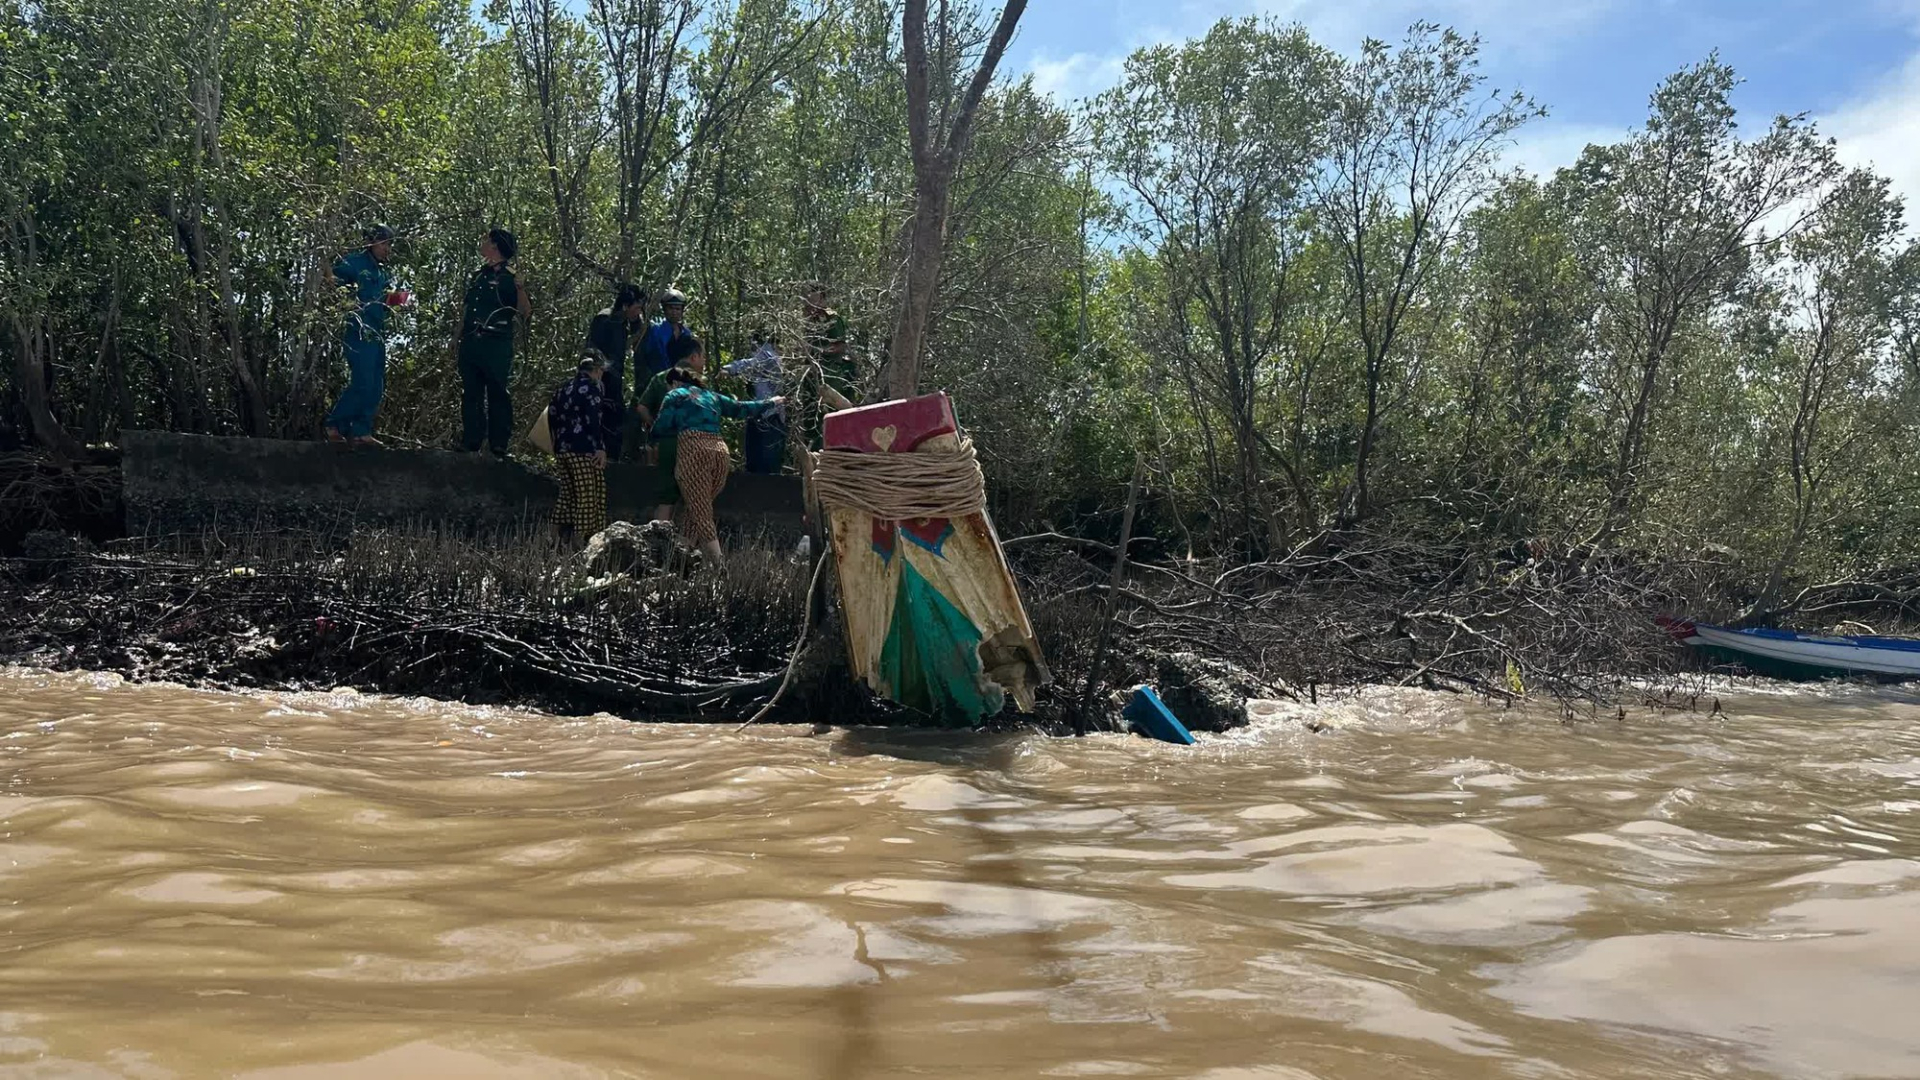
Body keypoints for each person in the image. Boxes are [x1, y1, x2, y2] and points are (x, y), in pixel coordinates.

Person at [650, 366, 784, 565]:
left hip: (694, 449)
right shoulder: (711, 395)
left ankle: (719, 564)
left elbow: (662, 425)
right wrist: (770, 402)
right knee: (695, 507)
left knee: (701, 510)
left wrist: (651, 439)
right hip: (720, 451)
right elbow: (741, 408)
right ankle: (681, 553)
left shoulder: (675, 395)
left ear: (674, 383)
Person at [455, 228, 530, 458]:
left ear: (495, 245)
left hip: (496, 344)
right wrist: (456, 337)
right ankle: (472, 441)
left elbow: (525, 312)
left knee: (497, 391)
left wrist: (520, 287)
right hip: (471, 342)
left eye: (486, 240)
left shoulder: (509, 277)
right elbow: (467, 309)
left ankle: (498, 443)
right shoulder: (478, 275)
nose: (483, 243)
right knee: (471, 392)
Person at [324, 226, 400, 446]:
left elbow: (385, 300)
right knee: (363, 380)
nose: (387, 249)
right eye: (384, 244)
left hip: (377, 332)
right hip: (358, 329)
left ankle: (360, 430)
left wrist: (401, 300)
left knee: (376, 384)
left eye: (389, 244)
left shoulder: (381, 271)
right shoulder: (353, 263)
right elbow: (335, 286)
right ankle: (335, 424)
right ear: (371, 243)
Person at [635, 334, 707, 523]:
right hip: (692, 444)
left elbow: (641, 407)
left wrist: (654, 426)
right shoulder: (699, 381)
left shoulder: (661, 378)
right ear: (693, 356)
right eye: (702, 356)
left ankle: (660, 537)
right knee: (692, 495)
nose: (704, 361)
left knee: (666, 496)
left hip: (665, 444)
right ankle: (684, 543)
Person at [547, 353, 610, 542]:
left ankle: (551, 535)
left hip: (561, 447)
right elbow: (593, 420)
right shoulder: (591, 388)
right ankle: (580, 539)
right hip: (583, 447)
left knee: (566, 493)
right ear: (596, 371)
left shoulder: (563, 388)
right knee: (588, 495)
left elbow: (551, 414)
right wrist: (599, 447)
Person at [588, 284, 647, 460]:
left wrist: (637, 320)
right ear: (625, 306)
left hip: (614, 383)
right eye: (637, 308)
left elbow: (639, 332)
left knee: (617, 426)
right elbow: (592, 351)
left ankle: (612, 461)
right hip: (599, 381)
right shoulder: (604, 319)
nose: (639, 312)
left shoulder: (623, 322)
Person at [723, 331, 787, 475]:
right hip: (759, 414)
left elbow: (751, 364)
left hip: (770, 417)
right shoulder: (768, 357)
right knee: (754, 462)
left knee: (767, 464)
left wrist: (729, 369)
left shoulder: (768, 357)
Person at [635, 287, 692, 377]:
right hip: (658, 379)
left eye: (677, 309)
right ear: (664, 309)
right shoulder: (656, 330)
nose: (674, 312)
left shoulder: (686, 333)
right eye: (671, 308)